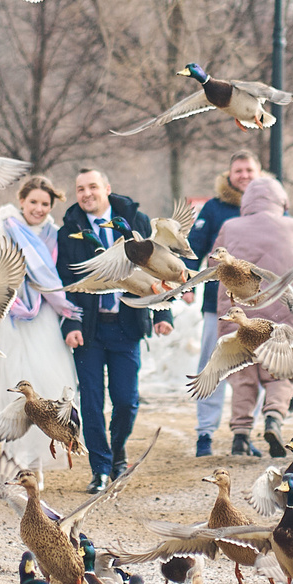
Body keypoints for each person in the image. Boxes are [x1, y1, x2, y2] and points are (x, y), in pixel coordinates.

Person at [57, 168, 172, 492]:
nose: (86, 193)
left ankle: (118, 449)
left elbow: (159, 269)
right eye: (80, 189)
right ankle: (101, 468)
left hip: (127, 326)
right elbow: (68, 282)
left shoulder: (138, 222)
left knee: (125, 401)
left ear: (107, 188)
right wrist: (72, 322)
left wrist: (166, 313)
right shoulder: (69, 231)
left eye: (93, 186)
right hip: (89, 331)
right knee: (92, 402)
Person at [0, 173, 80, 470]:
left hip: (43, 316)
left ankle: (37, 459)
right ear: (22, 201)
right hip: (9, 318)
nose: (39, 209)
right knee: (16, 389)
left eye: (45, 203)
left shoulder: (55, 235)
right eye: (33, 202)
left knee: (49, 384)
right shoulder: (3, 229)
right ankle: (16, 460)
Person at [205, 172, 293, 456]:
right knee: (280, 374)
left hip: (238, 312)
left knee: (243, 376)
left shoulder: (230, 225)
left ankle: (240, 434)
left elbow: (213, 261)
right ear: (281, 200)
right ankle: (274, 418)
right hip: (282, 314)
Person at [184, 150, 257, 456]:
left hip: (258, 303)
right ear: (229, 175)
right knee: (212, 365)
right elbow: (193, 248)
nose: (244, 175)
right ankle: (205, 433)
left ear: (258, 174)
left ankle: (244, 433)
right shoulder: (214, 209)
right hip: (218, 304)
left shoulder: (273, 207)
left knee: (254, 370)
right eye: (238, 170)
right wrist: (184, 282)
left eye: (249, 170)